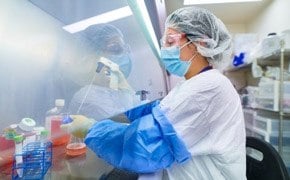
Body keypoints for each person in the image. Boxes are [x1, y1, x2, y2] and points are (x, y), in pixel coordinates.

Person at [62, 6, 246, 180]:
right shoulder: (192, 84)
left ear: (200, 43)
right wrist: (125, 90)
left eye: (170, 41)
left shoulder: (208, 87)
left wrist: (91, 128)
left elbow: (145, 147)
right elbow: (157, 111)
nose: (164, 49)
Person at [69, 24, 139, 121]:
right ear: (92, 55)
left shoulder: (114, 91)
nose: (123, 54)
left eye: (123, 48)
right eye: (115, 48)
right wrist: (127, 90)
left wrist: (126, 88)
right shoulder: (87, 98)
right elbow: (129, 124)